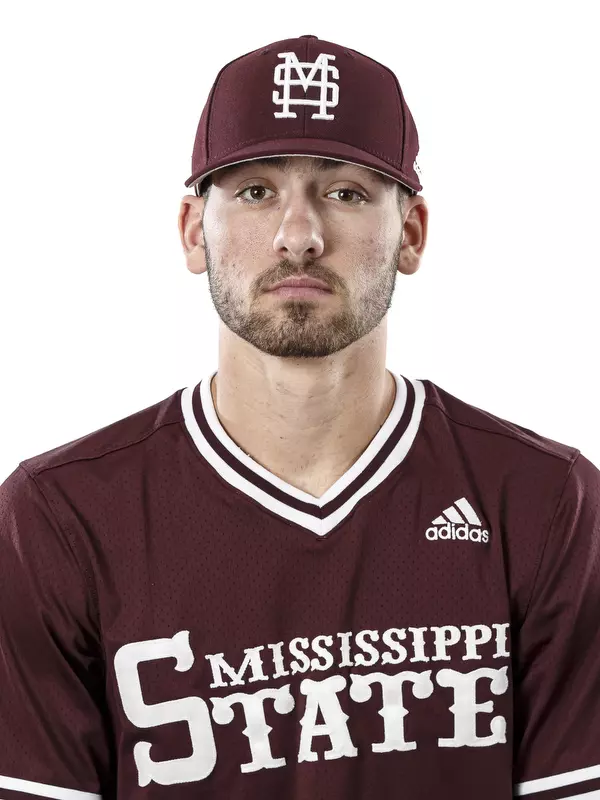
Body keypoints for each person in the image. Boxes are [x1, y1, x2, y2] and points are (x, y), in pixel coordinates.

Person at [0, 33, 598, 800]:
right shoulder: (60, 521)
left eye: (345, 191)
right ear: (192, 230)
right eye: (255, 191)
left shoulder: (545, 503)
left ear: (411, 233)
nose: (299, 235)